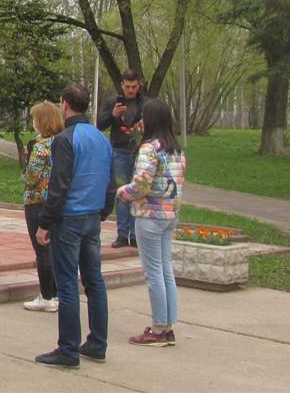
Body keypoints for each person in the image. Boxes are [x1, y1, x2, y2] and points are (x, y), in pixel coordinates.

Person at [34, 84, 115, 369]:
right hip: (92, 216)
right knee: (94, 281)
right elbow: (110, 180)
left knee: (67, 283)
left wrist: (45, 222)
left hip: (69, 218)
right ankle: (97, 342)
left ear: (65, 104)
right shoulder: (100, 138)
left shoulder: (65, 139)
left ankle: (68, 348)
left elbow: (59, 185)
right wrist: (104, 210)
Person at [117, 98, 186, 347]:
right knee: (166, 270)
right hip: (170, 216)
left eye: (143, 116)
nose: (140, 121)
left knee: (153, 272)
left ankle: (158, 328)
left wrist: (122, 191)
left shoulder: (149, 149)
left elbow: (141, 185)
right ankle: (167, 325)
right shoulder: (175, 149)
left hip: (149, 216)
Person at [97, 69, 149, 248]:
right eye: (127, 86)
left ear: (139, 85)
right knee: (121, 193)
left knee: (138, 192)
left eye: (134, 86)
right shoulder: (114, 102)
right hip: (119, 150)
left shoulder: (145, 104)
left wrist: (144, 125)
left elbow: (154, 126)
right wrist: (113, 115)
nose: (131, 90)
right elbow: (100, 124)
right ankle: (122, 234)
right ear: (122, 85)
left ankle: (135, 235)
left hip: (140, 153)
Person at [22, 101, 63, 312]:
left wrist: (25, 170)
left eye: (35, 119)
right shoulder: (61, 142)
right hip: (56, 200)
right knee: (53, 248)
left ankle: (47, 296)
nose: (33, 123)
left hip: (37, 200)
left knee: (42, 249)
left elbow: (31, 177)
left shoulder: (40, 146)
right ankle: (56, 293)